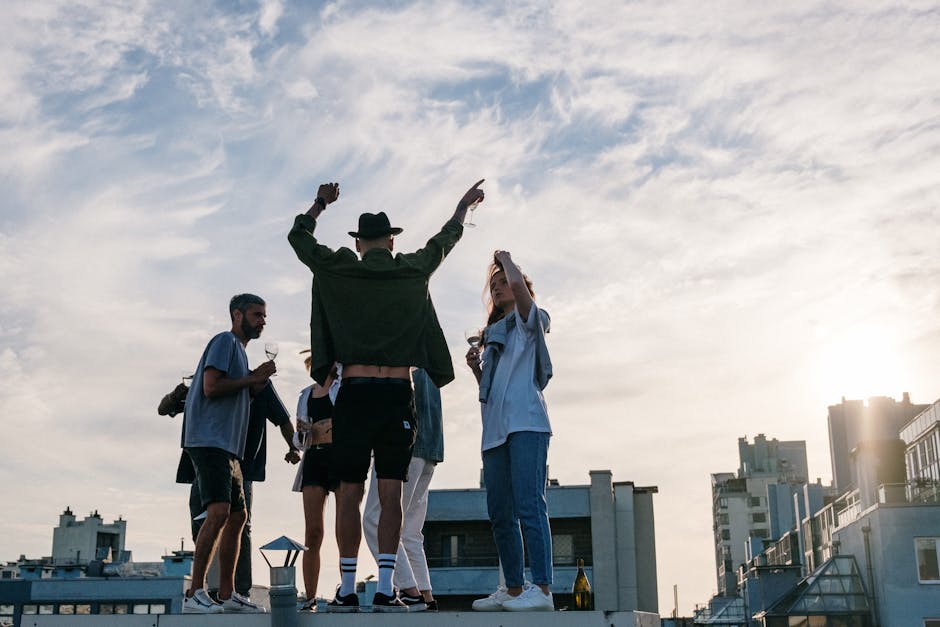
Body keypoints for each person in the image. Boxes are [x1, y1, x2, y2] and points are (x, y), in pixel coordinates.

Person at [288, 179, 483, 612]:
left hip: (354, 394)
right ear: (392, 242)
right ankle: (385, 588)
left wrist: (320, 203)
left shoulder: (339, 267)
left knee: (350, 492)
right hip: (397, 393)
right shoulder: (411, 268)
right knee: (391, 492)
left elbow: (297, 238)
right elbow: (444, 240)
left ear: (359, 244)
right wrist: (461, 207)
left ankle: (345, 588)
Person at [465, 251, 555, 612]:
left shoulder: (528, 320)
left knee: (530, 505)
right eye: (494, 285)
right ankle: (514, 589)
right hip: (495, 432)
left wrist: (504, 259)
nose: (499, 288)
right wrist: (477, 370)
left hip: (527, 424)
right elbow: (490, 392)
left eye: (504, 283)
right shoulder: (494, 337)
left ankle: (544, 591)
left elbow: (519, 288)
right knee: (501, 512)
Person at [180, 293, 276, 614]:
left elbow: (234, 394)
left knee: (238, 516)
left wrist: (254, 385)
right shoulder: (224, 341)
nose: (262, 320)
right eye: (256, 314)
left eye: (264, 315)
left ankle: (227, 594)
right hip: (209, 441)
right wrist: (251, 379)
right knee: (219, 512)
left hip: (229, 448)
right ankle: (195, 593)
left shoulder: (240, 354)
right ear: (237, 315)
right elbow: (210, 386)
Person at [165, 380, 299, 599]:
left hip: (240, 465)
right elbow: (164, 409)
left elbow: (283, 420)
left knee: (239, 522)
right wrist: (176, 394)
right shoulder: (210, 384)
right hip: (207, 464)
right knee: (203, 522)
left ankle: (237, 590)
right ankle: (204, 589)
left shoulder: (258, 383)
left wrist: (293, 447)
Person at [362, 367, 443, 612]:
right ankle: (425, 595)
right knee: (409, 530)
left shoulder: (399, 348)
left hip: (404, 445)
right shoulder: (428, 351)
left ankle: (410, 591)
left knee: (375, 519)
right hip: (431, 448)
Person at [291, 351, 339, 611]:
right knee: (313, 531)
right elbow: (298, 443)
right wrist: (303, 432)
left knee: (344, 526)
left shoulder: (344, 387)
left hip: (340, 456)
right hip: (315, 459)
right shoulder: (306, 394)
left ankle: (347, 589)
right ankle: (310, 596)